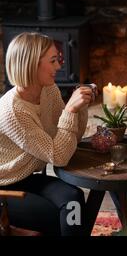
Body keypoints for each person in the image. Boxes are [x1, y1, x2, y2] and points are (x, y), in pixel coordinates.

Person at [0, 32, 94, 236]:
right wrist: (70, 111)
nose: (59, 67)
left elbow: (69, 141)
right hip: (4, 187)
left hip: (26, 177)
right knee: (61, 217)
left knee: (73, 200)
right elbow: (59, 157)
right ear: (32, 64)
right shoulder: (13, 111)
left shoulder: (48, 90)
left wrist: (80, 108)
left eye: (58, 60)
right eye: (53, 61)